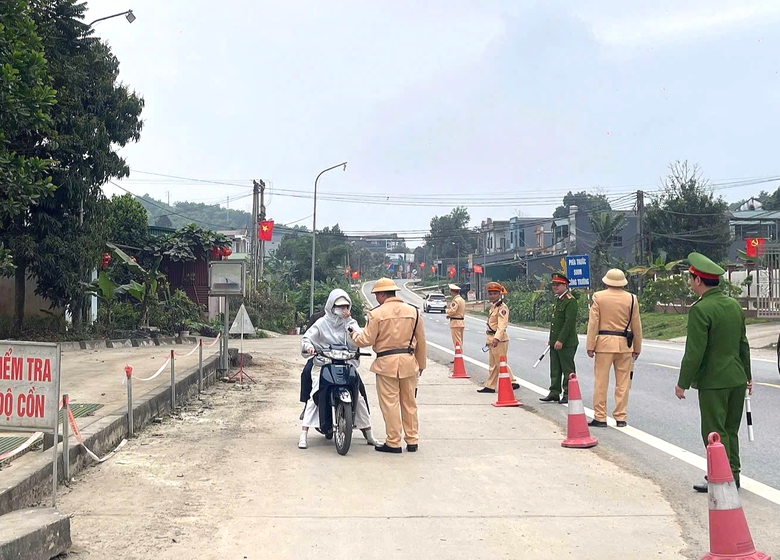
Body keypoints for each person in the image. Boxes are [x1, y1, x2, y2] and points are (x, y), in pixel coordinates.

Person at [675, 252, 752, 492]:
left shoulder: (701, 310)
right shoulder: (733, 305)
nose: (690, 282)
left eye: (691, 278)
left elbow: (694, 352)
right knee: (731, 430)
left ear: (698, 280)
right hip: (737, 378)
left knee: (713, 431)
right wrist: (748, 376)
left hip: (713, 381)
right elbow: (743, 344)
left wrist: (682, 383)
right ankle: (734, 475)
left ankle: (720, 477)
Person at [350, 278, 426, 453]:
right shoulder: (414, 312)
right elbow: (421, 341)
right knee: (409, 403)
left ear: (383, 294)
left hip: (386, 364)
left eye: (377, 294)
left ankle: (393, 442)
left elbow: (366, 340)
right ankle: (412, 440)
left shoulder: (376, 314)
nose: (376, 298)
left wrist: (354, 335)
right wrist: (421, 364)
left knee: (390, 404)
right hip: (408, 362)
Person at [298, 289, 376, 450]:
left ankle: (369, 434)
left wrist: (349, 324)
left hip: (345, 364)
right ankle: (304, 433)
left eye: (346, 306)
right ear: (331, 306)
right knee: (315, 392)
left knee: (359, 397)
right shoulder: (321, 323)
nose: (343, 309)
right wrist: (309, 347)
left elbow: (358, 339)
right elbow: (307, 338)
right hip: (324, 364)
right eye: (340, 306)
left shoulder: (350, 323)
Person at [585, 269, 642, 428]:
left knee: (601, 382)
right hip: (625, 345)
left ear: (606, 282)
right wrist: (637, 347)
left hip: (604, 343)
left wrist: (590, 345)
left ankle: (600, 416)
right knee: (623, 383)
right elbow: (636, 326)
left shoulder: (598, 297)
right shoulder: (632, 298)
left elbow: (593, 324)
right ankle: (621, 417)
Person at [540, 272, 578, 404]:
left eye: (558, 284)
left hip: (567, 342)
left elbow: (569, 323)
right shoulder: (558, 299)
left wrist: (560, 340)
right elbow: (555, 323)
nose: (555, 287)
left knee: (567, 368)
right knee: (555, 367)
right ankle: (554, 392)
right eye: (553, 285)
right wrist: (552, 339)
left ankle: (568, 393)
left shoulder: (570, 301)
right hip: (555, 341)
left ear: (565, 285)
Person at [478, 281, 520, 394]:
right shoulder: (493, 307)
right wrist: (489, 340)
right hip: (492, 337)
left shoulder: (502, 307)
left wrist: (496, 338)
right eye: (490, 293)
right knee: (493, 364)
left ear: (499, 294)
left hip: (500, 339)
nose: (492, 296)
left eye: (494, 293)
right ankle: (490, 386)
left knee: (501, 362)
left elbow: (502, 325)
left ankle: (512, 381)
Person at [446, 283, 466, 358]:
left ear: (452, 291)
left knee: (457, 342)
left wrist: (447, 311)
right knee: (460, 341)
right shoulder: (462, 300)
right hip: (461, 322)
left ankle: (458, 357)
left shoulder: (456, 301)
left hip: (455, 323)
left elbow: (453, 311)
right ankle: (459, 355)